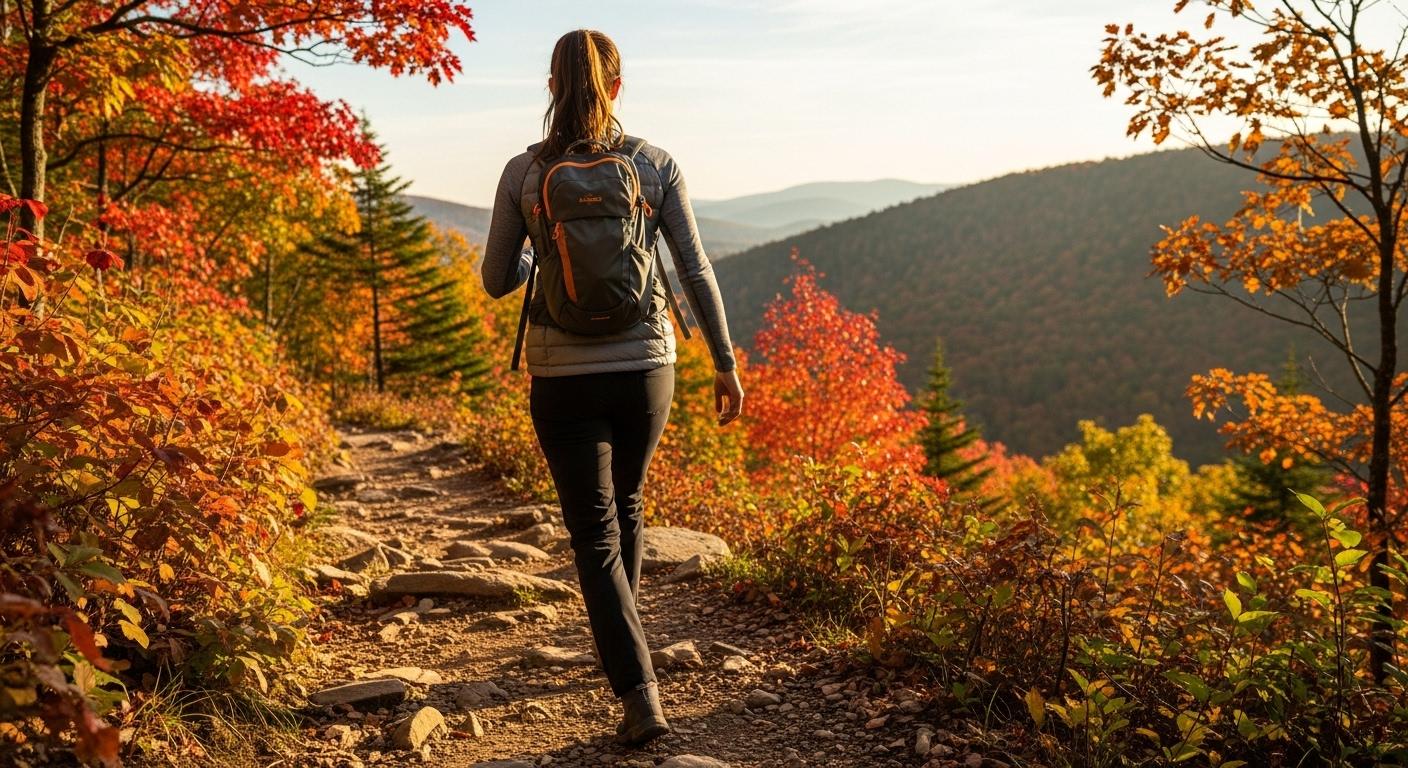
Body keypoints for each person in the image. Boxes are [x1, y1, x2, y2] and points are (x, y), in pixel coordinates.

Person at [480, 28, 744, 746]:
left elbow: (496, 279)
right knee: (626, 504)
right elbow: (694, 268)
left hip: (561, 375)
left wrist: (543, 254)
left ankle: (637, 692)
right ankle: (626, 654)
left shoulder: (523, 172)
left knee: (593, 532)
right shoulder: (654, 164)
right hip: (646, 367)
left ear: (550, 87)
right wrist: (724, 360)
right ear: (617, 87)